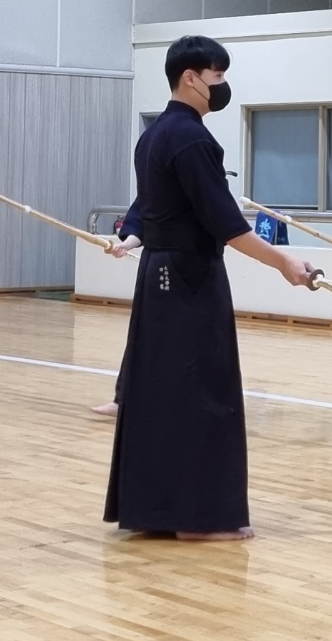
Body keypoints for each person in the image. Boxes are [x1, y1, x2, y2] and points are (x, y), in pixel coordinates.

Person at [104, 34, 314, 541]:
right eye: (217, 76)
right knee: (202, 389)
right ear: (191, 78)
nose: (222, 85)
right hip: (191, 279)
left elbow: (153, 206)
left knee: (160, 391)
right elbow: (227, 224)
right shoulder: (193, 139)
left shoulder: (154, 136)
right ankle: (198, 519)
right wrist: (283, 261)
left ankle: (156, 510)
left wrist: (133, 238)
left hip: (157, 276)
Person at [90, 200, 141, 419]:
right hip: (156, 270)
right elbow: (141, 220)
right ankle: (122, 401)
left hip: (193, 277)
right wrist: (126, 245)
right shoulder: (153, 186)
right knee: (141, 338)